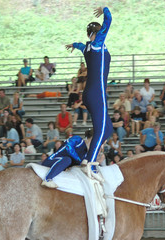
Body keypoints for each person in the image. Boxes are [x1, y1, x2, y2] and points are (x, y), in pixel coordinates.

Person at [66, 6, 113, 167]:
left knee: (107, 129)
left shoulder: (87, 47)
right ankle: (90, 161)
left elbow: (80, 45)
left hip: (90, 93)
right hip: (97, 93)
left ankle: (89, 153)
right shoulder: (98, 43)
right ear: (95, 33)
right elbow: (109, 20)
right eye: (99, 32)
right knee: (101, 130)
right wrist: (105, 9)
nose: (101, 34)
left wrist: (73, 44)